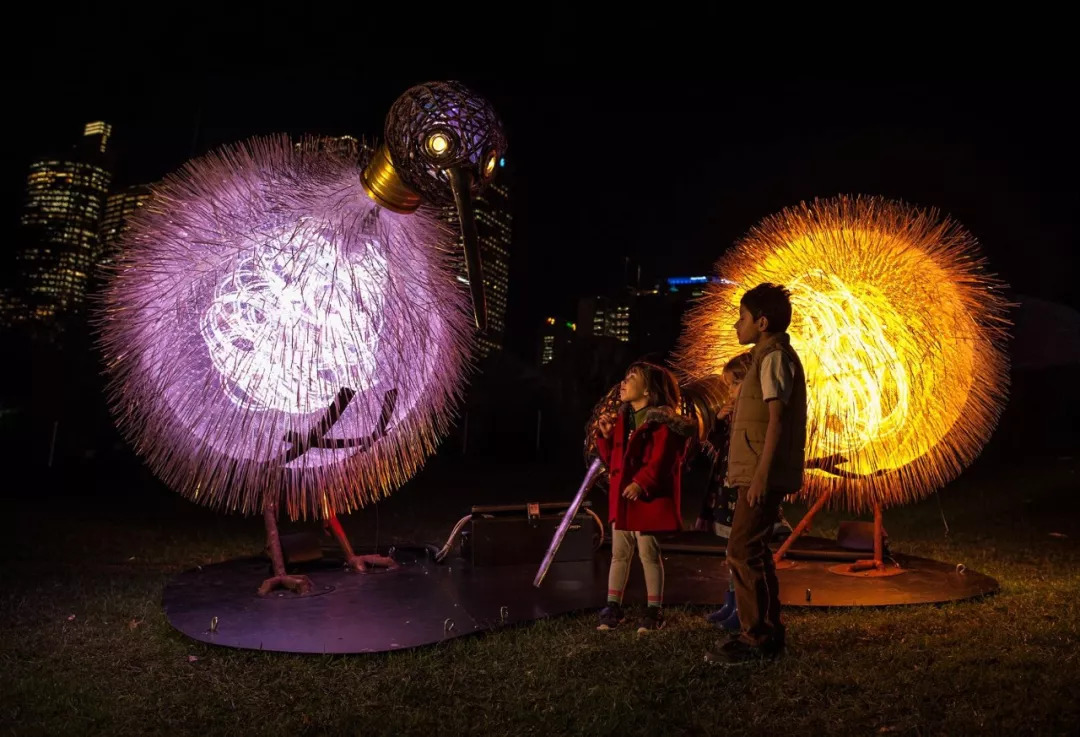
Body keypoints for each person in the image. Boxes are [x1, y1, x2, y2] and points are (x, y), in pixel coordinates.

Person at [594, 361, 694, 633]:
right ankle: (613, 606)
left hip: (645, 501)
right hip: (623, 501)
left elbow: (663, 461)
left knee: (648, 552)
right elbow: (612, 459)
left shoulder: (662, 423)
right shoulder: (623, 420)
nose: (623, 382)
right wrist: (605, 438)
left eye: (632, 377)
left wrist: (642, 483)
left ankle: (654, 610)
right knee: (619, 553)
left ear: (648, 390)